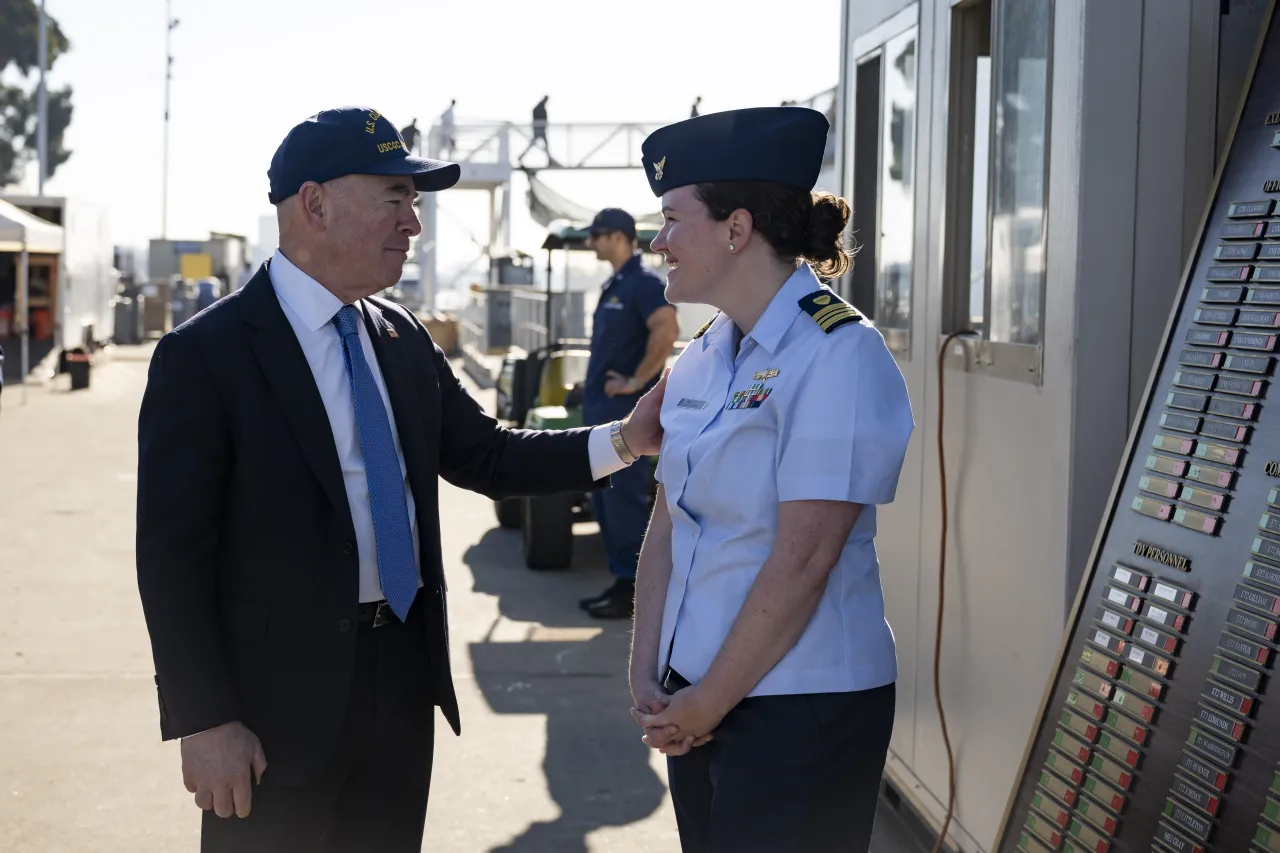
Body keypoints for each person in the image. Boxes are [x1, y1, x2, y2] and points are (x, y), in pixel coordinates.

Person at [134, 105, 666, 853]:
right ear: (315, 204)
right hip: (272, 707)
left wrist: (624, 439)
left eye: (413, 204)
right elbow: (170, 556)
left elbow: (488, 453)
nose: (412, 223)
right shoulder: (206, 356)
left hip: (401, 684)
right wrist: (204, 716)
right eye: (395, 197)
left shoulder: (399, 335)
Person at [627, 106, 915, 852]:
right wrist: (648, 669)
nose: (657, 240)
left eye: (670, 219)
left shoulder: (840, 355)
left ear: (736, 227)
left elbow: (806, 559)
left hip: (800, 707)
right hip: (696, 696)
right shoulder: (698, 358)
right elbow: (668, 523)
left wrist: (706, 703)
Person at [578, 208, 679, 619]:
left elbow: (666, 329)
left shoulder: (643, 285)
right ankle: (622, 582)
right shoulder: (617, 284)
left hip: (623, 414)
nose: (591, 243)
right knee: (605, 501)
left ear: (620, 237)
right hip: (603, 410)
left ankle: (635, 592)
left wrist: (637, 382)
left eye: (598, 235)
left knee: (623, 501)